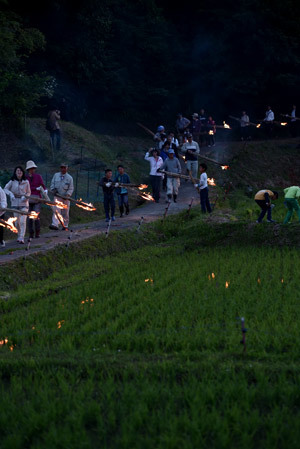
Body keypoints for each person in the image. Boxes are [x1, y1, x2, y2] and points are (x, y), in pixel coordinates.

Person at [4, 166, 31, 244]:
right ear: (15, 172)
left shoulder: (26, 182)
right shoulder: (12, 181)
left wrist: (25, 197)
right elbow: (5, 189)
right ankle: (19, 235)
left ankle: (22, 237)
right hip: (15, 202)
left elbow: (29, 192)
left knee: (23, 221)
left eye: (20, 171)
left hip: (24, 203)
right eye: (17, 171)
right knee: (17, 222)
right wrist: (11, 194)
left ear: (23, 173)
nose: (19, 172)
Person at [49, 163, 74, 230]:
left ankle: (65, 225)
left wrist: (67, 194)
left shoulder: (70, 178)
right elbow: (52, 184)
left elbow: (71, 188)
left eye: (64, 168)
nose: (63, 169)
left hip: (65, 198)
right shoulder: (56, 175)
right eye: (62, 167)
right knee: (56, 210)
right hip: (57, 196)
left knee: (65, 212)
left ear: (67, 168)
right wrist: (53, 190)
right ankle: (55, 224)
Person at [25, 160, 46, 238]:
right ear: (28, 169)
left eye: (33, 168)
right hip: (28, 199)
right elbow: (26, 188)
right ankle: (31, 233)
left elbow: (42, 186)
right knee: (29, 217)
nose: (32, 170)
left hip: (37, 199)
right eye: (31, 168)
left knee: (36, 216)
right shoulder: (25, 177)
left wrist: (44, 190)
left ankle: (37, 232)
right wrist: (35, 188)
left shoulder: (38, 176)